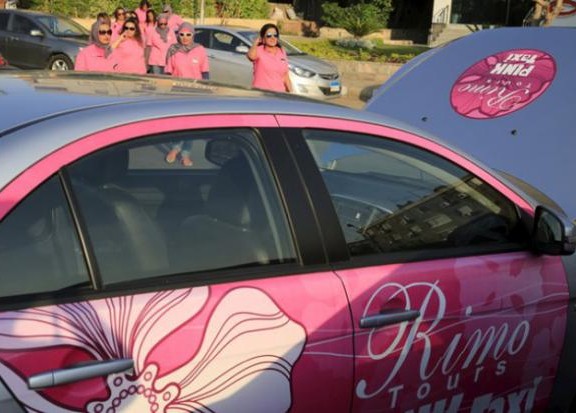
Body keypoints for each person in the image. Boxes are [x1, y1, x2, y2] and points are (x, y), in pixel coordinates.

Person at [164, 23, 209, 166]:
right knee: (177, 124)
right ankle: (175, 147)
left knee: (191, 125)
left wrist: (206, 92)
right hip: (177, 93)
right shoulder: (173, 50)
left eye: (188, 34)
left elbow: (205, 73)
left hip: (195, 94)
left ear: (193, 35)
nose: (185, 37)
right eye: (182, 34)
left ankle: (186, 154)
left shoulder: (200, 50)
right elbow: (168, 72)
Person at [247, 23, 292, 93]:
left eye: (275, 35)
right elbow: (251, 57)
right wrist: (256, 43)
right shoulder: (259, 50)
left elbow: (285, 75)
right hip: (261, 93)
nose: (272, 38)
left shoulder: (281, 51)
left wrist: (290, 92)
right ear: (263, 38)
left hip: (279, 93)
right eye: (269, 35)